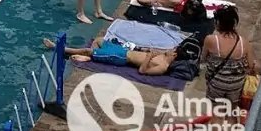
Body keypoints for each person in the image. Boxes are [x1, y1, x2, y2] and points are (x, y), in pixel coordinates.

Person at [202, 6, 259, 131]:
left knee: (217, 114)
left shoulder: (211, 40)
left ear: (218, 23)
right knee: (232, 114)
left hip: (217, 84)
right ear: (234, 23)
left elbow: (203, 58)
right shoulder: (243, 43)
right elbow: (251, 65)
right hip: (236, 85)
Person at [43, 37, 178, 76]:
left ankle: (58, 48)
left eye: (173, 50)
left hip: (121, 57)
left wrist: (148, 56)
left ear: (175, 56)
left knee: (87, 50)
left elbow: (142, 71)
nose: (170, 49)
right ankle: (90, 57)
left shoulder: (163, 67)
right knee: (99, 40)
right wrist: (146, 51)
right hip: (122, 50)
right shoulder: (163, 54)